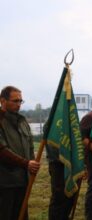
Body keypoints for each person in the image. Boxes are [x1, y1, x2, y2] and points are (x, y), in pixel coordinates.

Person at [0, 86, 40, 220]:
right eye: (15, 101)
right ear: (3, 101)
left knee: (22, 216)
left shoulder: (23, 122)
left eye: (20, 101)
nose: (18, 104)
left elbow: (29, 147)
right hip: (5, 183)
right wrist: (26, 163)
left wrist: (32, 166)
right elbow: (2, 151)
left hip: (23, 181)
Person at [46, 139, 82, 219]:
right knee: (59, 199)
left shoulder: (73, 126)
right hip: (58, 165)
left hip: (72, 165)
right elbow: (53, 147)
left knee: (70, 197)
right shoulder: (52, 126)